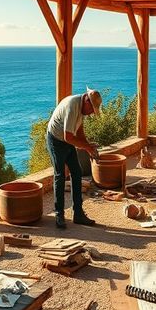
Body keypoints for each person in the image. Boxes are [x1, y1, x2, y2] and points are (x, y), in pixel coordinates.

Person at [46, 88, 103, 229]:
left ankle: (78, 214)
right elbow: (68, 137)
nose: (90, 114)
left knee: (76, 172)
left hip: (66, 140)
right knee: (60, 174)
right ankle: (59, 214)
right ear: (87, 101)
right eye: (92, 110)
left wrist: (87, 144)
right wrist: (87, 148)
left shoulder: (82, 107)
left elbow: (79, 130)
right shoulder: (72, 105)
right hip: (56, 140)